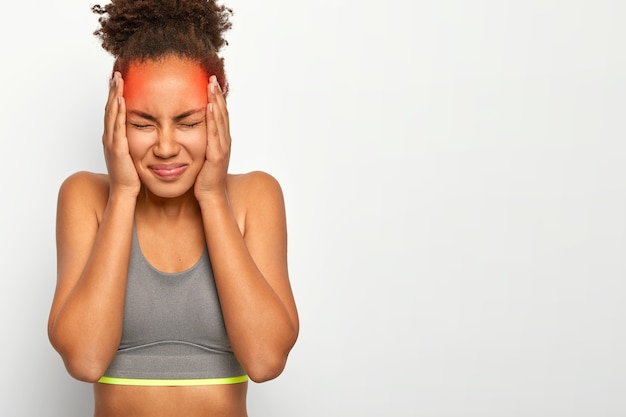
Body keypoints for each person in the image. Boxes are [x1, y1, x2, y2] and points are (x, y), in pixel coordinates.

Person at [47, 0, 299, 415]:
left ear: (218, 116)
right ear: (115, 118)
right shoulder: (85, 198)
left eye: (188, 122)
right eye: (143, 124)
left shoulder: (255, 197)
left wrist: (213, 196)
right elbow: (86, 360)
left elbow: (266, 359)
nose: (165, 147)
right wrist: (123, 192)